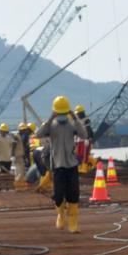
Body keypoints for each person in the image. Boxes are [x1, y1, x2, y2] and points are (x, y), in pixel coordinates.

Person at [36, 95, 89, 233]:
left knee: (73, 194)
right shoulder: (51, 126)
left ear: (67, 112)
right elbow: (38, 134)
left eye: (63, 113)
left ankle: (73, 222)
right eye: (59, 113)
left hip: (71, 165)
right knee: (58, 195)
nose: (61, 116)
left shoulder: (72, 125)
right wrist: (49, 119)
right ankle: (60, 214)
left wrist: (75, 118)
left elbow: (84, 135)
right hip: (58, 165)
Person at [74, 105, 95, 174]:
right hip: (79, 140)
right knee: (79, 155)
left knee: (84, 155)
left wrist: (88, 138)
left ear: (81, 113)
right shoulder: (77, 121)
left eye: (78, 113)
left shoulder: (86, 120)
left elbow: (89, 130)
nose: (77, 115)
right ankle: (81, 167)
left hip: (85, 140)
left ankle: (84, 168)